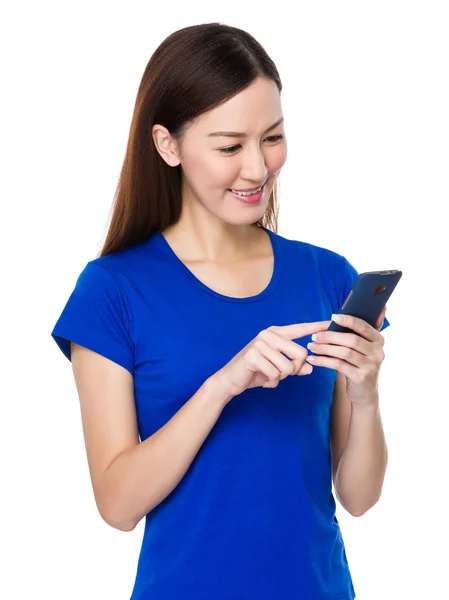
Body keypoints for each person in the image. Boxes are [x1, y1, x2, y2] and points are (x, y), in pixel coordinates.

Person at [50, 22, 390, 600]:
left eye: (273, 137)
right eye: (230, 146)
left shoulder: (327, 275)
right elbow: (117, 504)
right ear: (168, 145)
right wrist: (222, 386)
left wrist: (366, 392)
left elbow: (358, 498)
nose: (257, 168)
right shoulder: (112, 290)